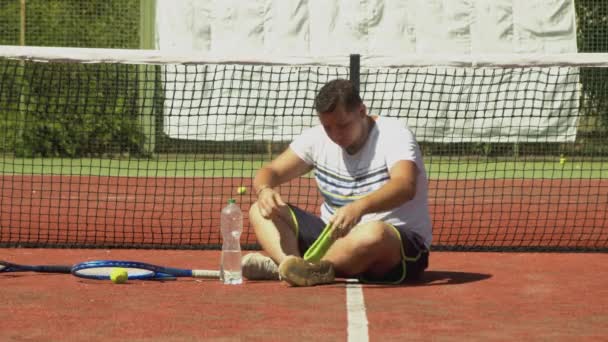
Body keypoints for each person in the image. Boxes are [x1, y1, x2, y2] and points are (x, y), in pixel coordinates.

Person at [242, 79, 432, 286]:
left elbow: (405, 186)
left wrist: (359, 207)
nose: (335, 135)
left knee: (373, 233)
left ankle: (300, 268)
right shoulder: (315, 139)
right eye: (327, 127)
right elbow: (271, 171)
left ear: (362, 111)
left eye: (343, 125)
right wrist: (264, 190)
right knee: (258, 209)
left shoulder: (394, 135)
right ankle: (291, 265)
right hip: (330, 236)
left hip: (393, 244)